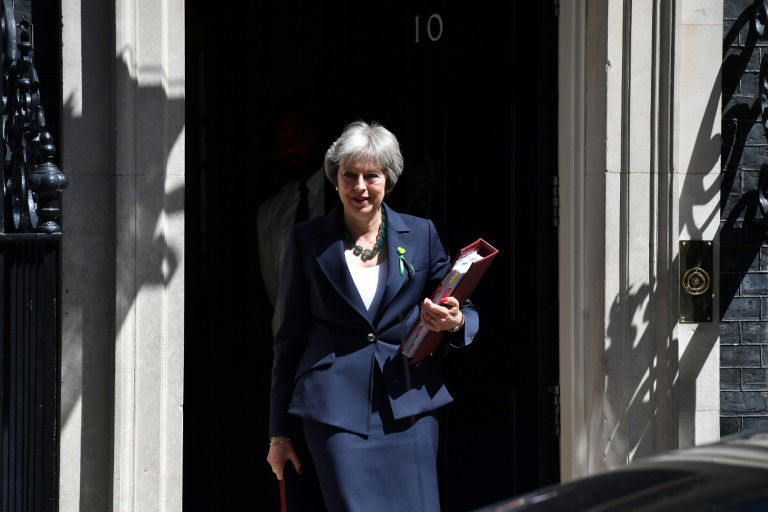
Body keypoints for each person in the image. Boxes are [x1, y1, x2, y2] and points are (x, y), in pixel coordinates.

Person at [266, 120, 479, 511]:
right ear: (335, 180)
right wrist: (279, 434)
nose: (360, 187)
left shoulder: (422, 234)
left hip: (410, 407)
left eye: (371, 176)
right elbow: (289, 338)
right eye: (349, 175)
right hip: (334, 413)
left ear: (388, 180)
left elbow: (459, 305)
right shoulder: (305, 240)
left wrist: (456, 321)